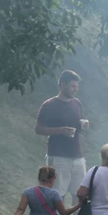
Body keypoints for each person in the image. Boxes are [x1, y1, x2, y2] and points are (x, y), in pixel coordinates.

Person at [35, 70, 88, 202]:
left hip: (77, 156)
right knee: (58, 195)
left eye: (77, 87)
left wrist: (83, 125)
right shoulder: (49, 105)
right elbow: (38, 129)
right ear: (62, 85)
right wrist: (60, 130)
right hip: (58, 156)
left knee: (80, 194)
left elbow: (77, 123)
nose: (75, 89)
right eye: (72, 86)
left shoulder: (77, 103)